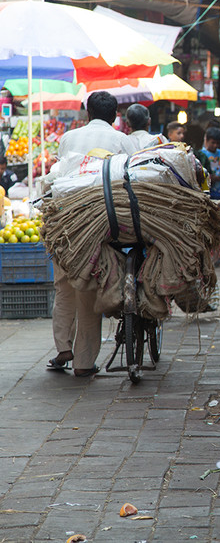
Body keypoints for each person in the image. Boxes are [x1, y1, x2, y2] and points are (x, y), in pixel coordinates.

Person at [47, 91, 137, 378]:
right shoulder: (123, 139)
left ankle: (63, 346)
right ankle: (84, 363)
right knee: (87, 289)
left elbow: (63, 172)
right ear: (115, 116)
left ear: (87, 114)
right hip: (103, 222)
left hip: (66, 221)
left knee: (63, 287)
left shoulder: (69, 138)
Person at [200, 127, 220, 268]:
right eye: (212, 142)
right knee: (208, 226)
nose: (215, 146)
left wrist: (214, 177)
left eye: (217, 143)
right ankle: (211, 256)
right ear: (206, 140)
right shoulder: (201, 155)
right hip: (207, 195)